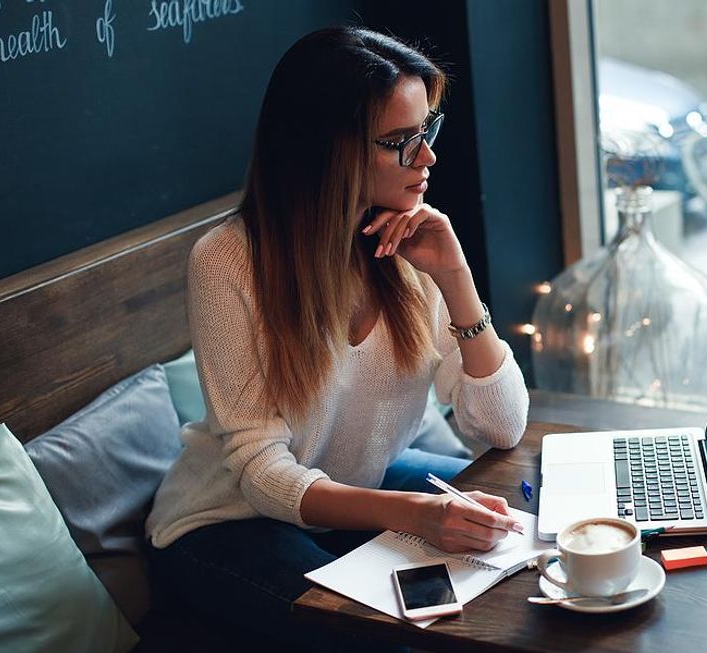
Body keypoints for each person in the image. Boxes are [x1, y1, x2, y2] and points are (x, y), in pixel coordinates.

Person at [145, 26, 529, 648]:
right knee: (387, 634)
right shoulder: (228, 262)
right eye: (400, 143)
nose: (427, 158)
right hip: (226, 520)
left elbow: (501, 426)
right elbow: (261, 473)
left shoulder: (409, 246)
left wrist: (456, 277)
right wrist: (417, 514)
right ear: (325, 150)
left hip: (361, 478)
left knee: (511, 541)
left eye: (426, 131)